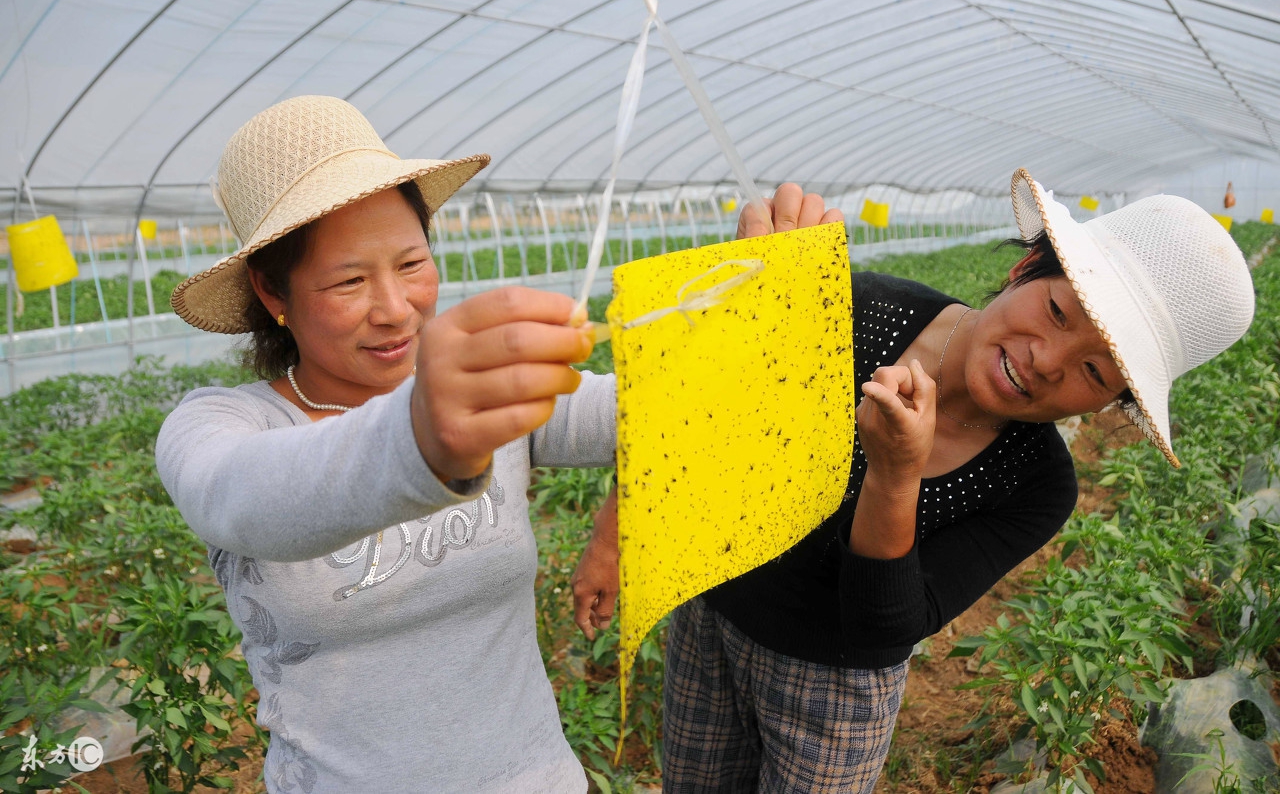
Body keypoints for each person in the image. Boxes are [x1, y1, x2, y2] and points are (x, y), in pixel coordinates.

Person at [571, 173, 1256, 792]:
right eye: (1056, 311)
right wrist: (614, 532)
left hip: (832, 695)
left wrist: (896, 476)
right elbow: (700, 413)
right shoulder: (862, 306)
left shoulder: (1038, 484)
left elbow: (884, 624)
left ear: (1110, 407)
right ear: (1026, 268)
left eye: (1097, 372)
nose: (1048, 360)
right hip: (712, 615)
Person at [156, 95, 616, 793]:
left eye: (410, 264)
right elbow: (242, 495)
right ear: (271, 290)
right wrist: (420, 434)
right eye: (349, 280)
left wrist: (767, 283)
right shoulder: (221, 427)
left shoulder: (480, 394)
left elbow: (651, 412)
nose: (396, 308)